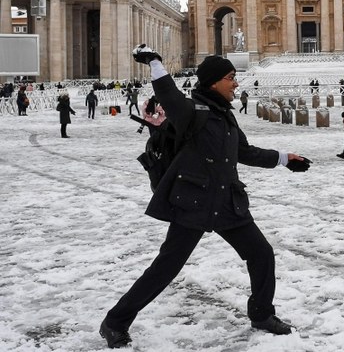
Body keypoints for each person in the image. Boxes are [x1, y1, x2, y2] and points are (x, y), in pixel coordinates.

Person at [99, 46, 310, 348]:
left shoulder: (225, 116)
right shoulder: (191, 110)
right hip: (194, 203)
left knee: (261, 254)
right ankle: (114, 322)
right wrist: (156, 62)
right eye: (230, 78)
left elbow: (244, 152)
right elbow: (169, 95)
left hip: (226, 202)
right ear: (213, 82)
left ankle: (262, 314)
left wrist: (284, 159)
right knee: (166, 268)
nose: (236, 83)